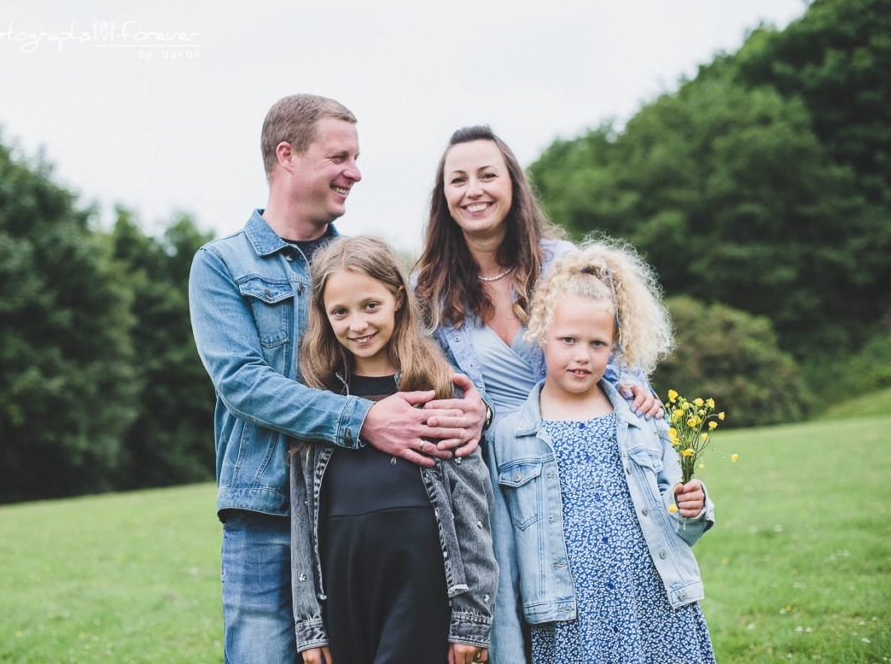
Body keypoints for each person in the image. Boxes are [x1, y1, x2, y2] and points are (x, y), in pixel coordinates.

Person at [189, 95, 488, 663]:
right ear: (288, 156)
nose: (355, 171)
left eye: (356, 156)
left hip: (360, 515)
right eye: (340, 156)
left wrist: (477, 409)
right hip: (267, 515)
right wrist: (364, 419)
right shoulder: (223, 265)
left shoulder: (364, 261)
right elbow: (242, 382)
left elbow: (434, 360)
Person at [484, 240, 716, 662]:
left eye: (597, 344)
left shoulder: (642, 417)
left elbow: (682, 523)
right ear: (541, 336)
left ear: (614, 346)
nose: (581, 356)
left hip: (656, 607)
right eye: (568, 339)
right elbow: (503, 559)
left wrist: (693, 508)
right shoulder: (508, 435)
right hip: (571, 623)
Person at [289, 236, 497, 664]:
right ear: (324, 317)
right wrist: (310, 628)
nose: (357, 324)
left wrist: (471, 620)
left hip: (421, 585)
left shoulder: (436, 390)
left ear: (398, 299)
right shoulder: (317, 405)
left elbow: (472, 515)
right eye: (340, 312)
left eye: (371, 305)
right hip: (344, 590)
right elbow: (302, 524)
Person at [412, 125, 662, 417]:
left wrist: (633, 385)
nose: (473, 190)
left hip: (571, 438)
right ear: (443, 196)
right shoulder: (427, 290)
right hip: (490, 456)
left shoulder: (563, 265)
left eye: (487, 175)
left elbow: (613, 351)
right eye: (458, 180)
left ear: (513, 183)